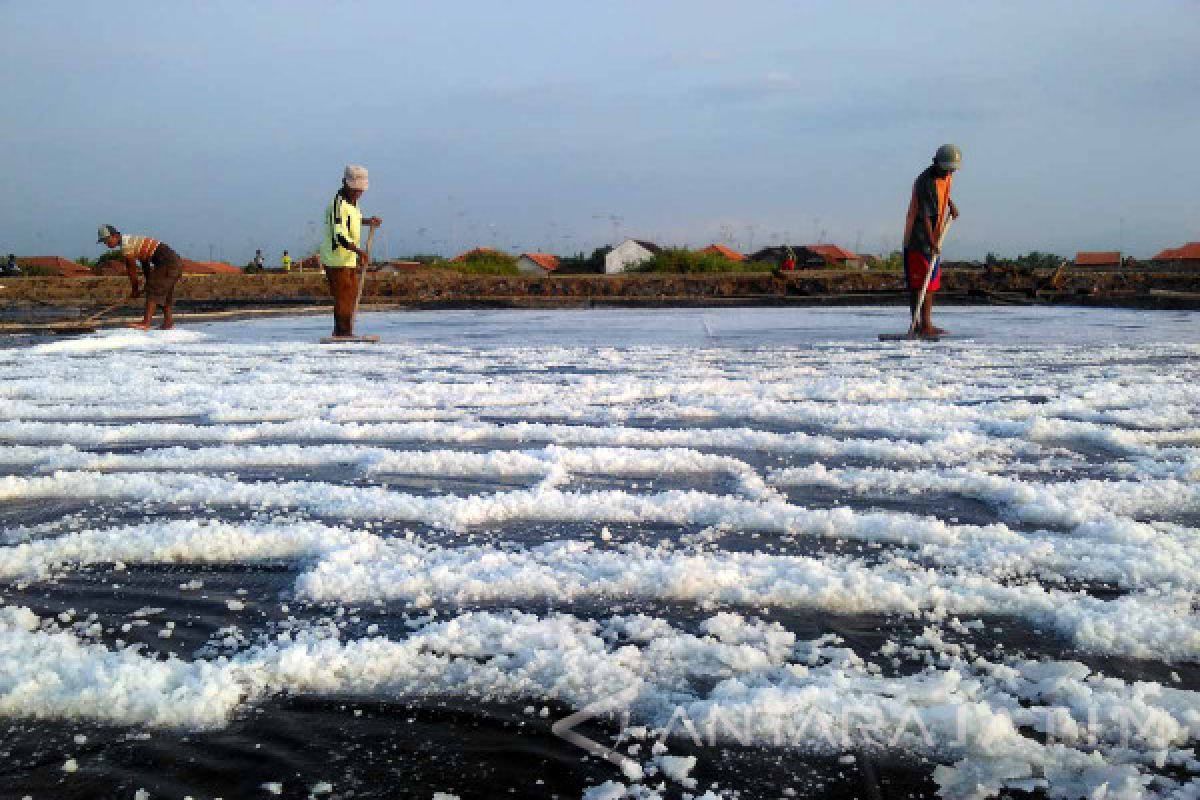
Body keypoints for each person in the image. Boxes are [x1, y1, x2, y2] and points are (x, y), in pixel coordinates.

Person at [903, 144, 961, 335]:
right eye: (947, 169)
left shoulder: (945, 176)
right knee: (921, 284)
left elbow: (943, 194)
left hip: (932, 236)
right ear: (936, 163)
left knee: (931, 282)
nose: (950, 172)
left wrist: (951, 205)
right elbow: (925, 215)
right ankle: (921, 325)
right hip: (919, 239)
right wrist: (931, 242)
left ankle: (925, 324)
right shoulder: (925, 182)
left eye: (952, 169)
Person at [319, 165, 382, 337]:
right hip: (336, 259)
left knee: (351, 296)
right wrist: (359, 251)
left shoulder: (353, 204)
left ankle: (345, 331)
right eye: (354, 190)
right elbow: (339, 235)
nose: (357, 194)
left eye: (360, 191)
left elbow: (353, 220)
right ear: (344, 184)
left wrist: (368, 221)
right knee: (343, 297)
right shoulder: (337, 204)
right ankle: (342, 333)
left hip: (349, 258)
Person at [97, 224, 185, 330]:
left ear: (115, 235)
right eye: (104, 242)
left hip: (167, 262)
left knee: (154, 291)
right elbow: (145, 263)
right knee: (163, 293)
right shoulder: (133, 241)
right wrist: (149, 281)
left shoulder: (126, 244)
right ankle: (168, 322)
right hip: (173, 262)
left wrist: (135, 289)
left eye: (107, 240)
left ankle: (145, 323)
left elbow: (131, 269)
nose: (106, 244)